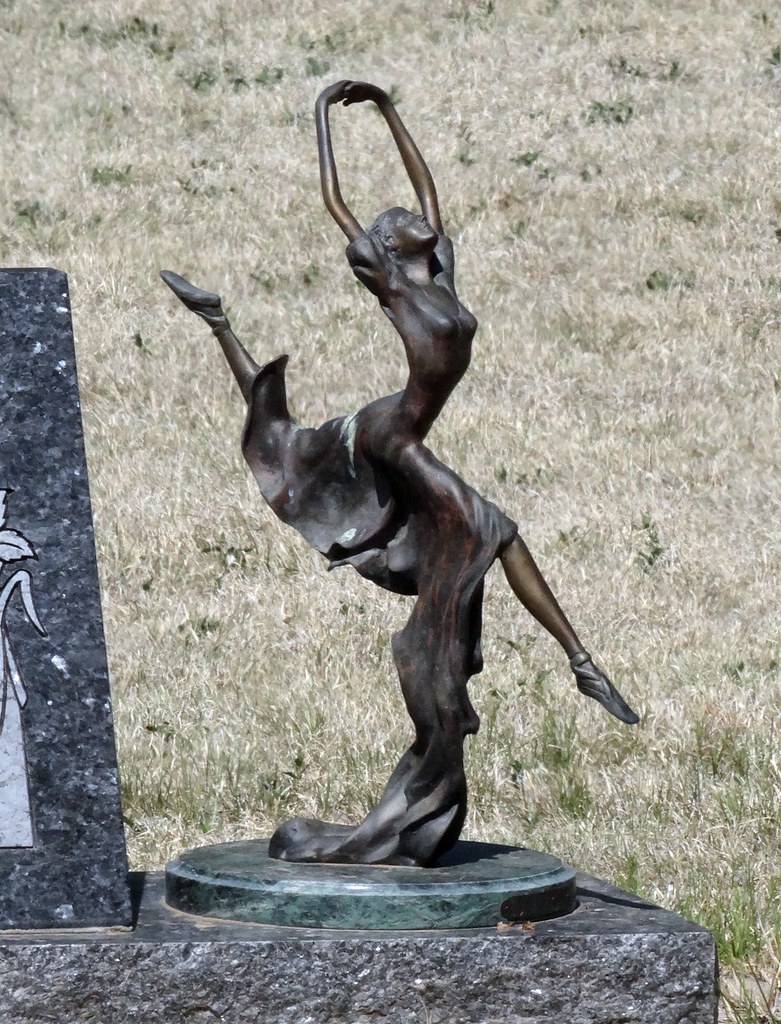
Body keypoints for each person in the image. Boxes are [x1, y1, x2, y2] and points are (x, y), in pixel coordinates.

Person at [161, 80, 638, 867]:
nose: (410, 216)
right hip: (392, 434)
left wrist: (385, 107)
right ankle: (581, 664)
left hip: (401, 424)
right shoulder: (390, 281)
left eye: (409, 220)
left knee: (485, 538)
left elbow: (426, 188)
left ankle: (558, 675)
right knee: (492, 527)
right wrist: (323, 109)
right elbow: (336, 202)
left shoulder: (436, 273)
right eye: (396, 222)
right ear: (384, 247)